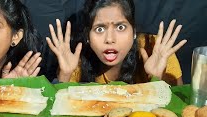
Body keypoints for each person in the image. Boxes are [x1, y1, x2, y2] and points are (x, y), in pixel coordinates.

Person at [46, 0, 187, 85]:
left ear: (134, 32)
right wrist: (64, 75)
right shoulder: (76, 61)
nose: (110, 39)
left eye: (120, 27)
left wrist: (157, 78)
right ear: (88, 36)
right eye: (100, 29)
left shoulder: (157, 50)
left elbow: (178, 111)